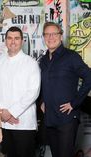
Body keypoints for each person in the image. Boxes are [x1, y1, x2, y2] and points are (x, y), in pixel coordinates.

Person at [40, 21, 91, 157]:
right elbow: (43, 84)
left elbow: (89, 77)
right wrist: (42, 101)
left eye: (54, 34)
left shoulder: (71, 56)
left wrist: (74, 103)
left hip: (67, 119)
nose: (51, 37)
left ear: (61, 36)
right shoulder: (43, 60)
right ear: (44, 38)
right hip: (50, 118)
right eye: (47, 34)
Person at [0, 26, 41, 157]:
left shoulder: (31, 63)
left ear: (22, 41)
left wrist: (11, 112)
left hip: (23, 124)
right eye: (10, 38)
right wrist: (1, 113)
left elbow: (33, 91)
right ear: (5, 41)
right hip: (3, 124)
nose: (13, 41)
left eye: (16, 38)